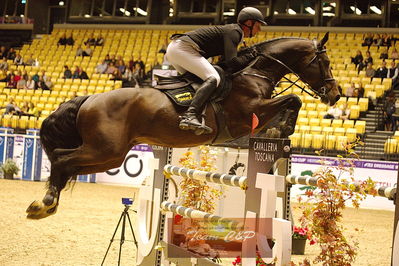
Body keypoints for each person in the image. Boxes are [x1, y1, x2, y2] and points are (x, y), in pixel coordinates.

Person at [165, 7, 266, 134]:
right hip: (184, 49)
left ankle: (182, 113)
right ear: (249, 23)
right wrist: (250, 56)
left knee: (197, 82)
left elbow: (224, 65)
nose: (260, 29)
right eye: (258, 25)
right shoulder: (234, 32)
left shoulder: (233, 32)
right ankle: (190, 115)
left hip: (177, 49)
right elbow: (232, 63)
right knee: (213, 78)